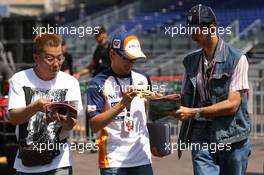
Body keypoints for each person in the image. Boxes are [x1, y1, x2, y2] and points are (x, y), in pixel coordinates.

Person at [168, 4, 251, 175]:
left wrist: (194, 112)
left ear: (212, 28)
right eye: (190, 29)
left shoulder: (237, 58)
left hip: (231, 134)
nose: (192, 34)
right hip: (200, 133)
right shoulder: (190, 61)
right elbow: (184, 99)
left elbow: (233, 105)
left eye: (196, 29)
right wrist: (160, 100)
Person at [8, 32, 83, 174]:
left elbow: (71, 124)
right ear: (36, 57)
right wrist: (35, 107)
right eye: (50, 58)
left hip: (60, 162)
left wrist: (62, 119)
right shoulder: (19, 79)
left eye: (59, 58)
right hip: (26, 162)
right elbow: (14, 118)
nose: (56, 64)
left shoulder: (70, 82)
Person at [87, 31, 154, 175]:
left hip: (142, 157)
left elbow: (148, 112)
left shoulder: (143, 78)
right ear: (112, 55)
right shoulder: (97, 83)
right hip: (113, 159)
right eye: (126, 58)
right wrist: (122, 104)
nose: (131, 63)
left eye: (134, 59)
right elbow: (94, 125)